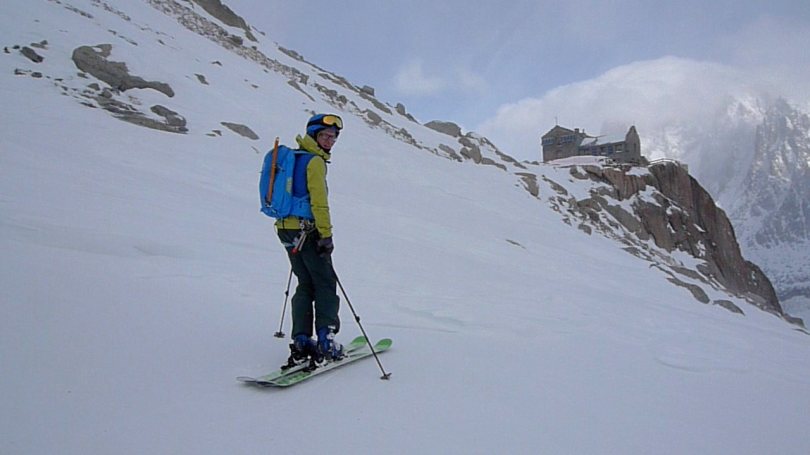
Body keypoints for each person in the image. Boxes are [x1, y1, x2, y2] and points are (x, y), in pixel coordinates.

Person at [277, 113, 344, 362]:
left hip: (286, 229)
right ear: (313, 135)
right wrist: (326, 236)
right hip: (308, 231)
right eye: (325, 135)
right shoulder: (314, 162)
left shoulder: (293, 157)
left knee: (305, 282)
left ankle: (302, 339)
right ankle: (326, 339)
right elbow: (319, 203)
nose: (329, 141)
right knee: (325, 282)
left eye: (333, 137)